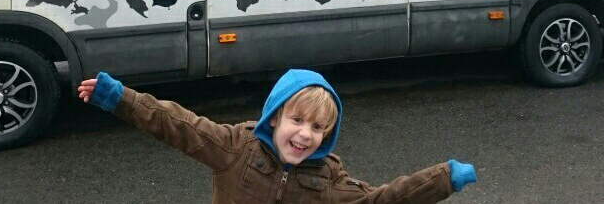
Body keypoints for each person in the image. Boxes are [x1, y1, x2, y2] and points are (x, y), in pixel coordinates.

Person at [77, 68, 477, 203]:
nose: (305, 135)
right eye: (297, 120)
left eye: (318, 128)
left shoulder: (328, 182)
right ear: (273, 117)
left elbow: (383, 200)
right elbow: (178, 125)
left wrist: (441, 178)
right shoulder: (236, 147)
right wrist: (119, 97)